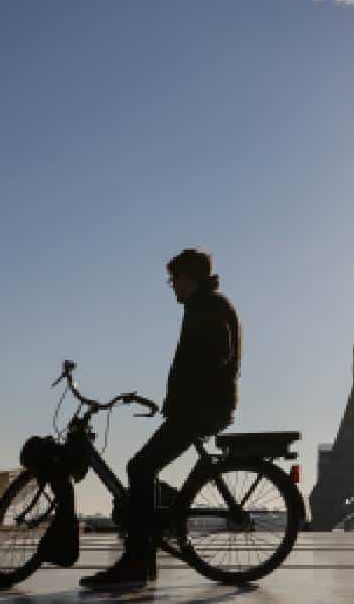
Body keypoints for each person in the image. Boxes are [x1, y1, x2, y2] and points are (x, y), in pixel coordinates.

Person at [81, 248, 241, 587]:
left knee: (140, 467)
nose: (171, 286)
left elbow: (216, 355)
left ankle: (138, 560)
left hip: (200, 409)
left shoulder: (209, 307)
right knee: (143, 467)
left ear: (190, 278)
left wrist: (185, 394)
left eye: (174, 279)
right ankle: (147, 545)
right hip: (198, 407)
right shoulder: (205, 305)